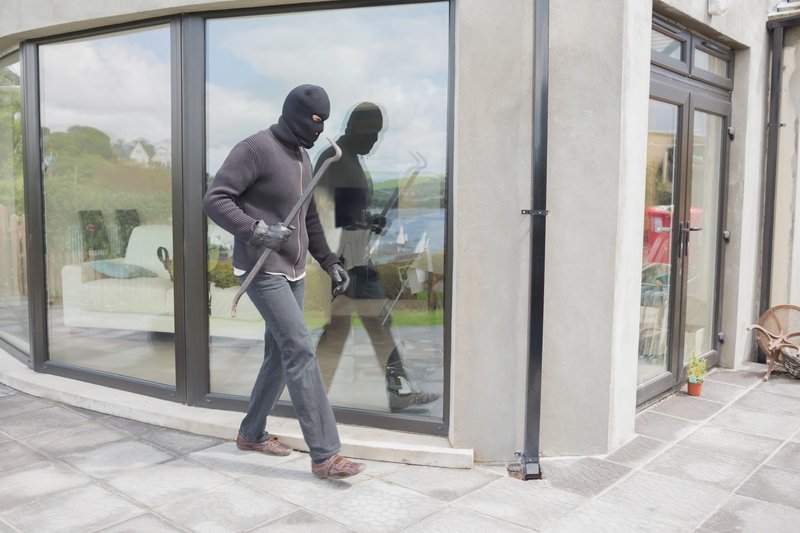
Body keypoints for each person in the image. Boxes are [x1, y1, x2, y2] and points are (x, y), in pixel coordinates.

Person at [202, 84, 365, 479]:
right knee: (300, 349)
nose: (319, 130)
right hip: (261, 269)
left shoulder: (303, 157)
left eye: (324, 123)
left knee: (278, 354)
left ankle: (250, 433)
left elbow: (307, 217)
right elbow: (216, 199)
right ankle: (325, 455)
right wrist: (257, 231)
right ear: (294, 115)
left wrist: (329, 261)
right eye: (314, 121)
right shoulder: (254, 149)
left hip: (293, 270)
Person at [313, 102, 439, 412]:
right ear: (353, 128)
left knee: (376, 326)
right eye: (371, 133)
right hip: (341, 264)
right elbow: (322, 215)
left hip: (355, 260)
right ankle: (313, 400)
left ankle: (399, 391)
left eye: (378, 134)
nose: (375, 140)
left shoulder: (350, 159)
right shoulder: (335, 159)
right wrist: (364, 223)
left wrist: (369, 220)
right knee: (340, 333)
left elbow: (347, 210)